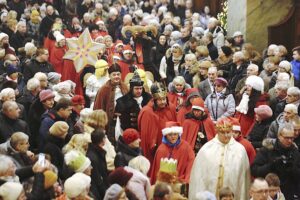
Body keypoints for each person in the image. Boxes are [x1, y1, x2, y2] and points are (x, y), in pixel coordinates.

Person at [189, 118, 250, 199]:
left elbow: (243, 182)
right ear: (217, 132)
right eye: (223, 132)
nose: (226, 135)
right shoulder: (206, 149)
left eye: (228, 132)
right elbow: (199, 179)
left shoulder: (240, 151)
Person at [251, 123, 300, 199]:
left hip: (289, 193)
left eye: (292, 138)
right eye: (287, 138)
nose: (290, 141)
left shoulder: (295, 152)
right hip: (268, 193)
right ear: (279, 136)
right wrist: (271, 165)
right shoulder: (267, 149)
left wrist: (293, 169)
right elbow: (254, 170)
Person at [138, 82, 177, 164]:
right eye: (159, 100)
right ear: (154, 99)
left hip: (170, 147)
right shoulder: (147, 112)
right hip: (155, 150)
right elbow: (145, 138)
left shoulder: (171, 108)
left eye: (164, 99)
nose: (163, 102)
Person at [93, 63, 128, 144]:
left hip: (123, 120)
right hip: (110, 122)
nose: (116, 76)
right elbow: (98, 108)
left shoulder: (125, 87)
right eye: (114, 74)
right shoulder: (103, 90)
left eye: (118, 74)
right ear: (109, 76)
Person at [86, 128, 109, 200]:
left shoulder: (97, 152)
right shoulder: (93, 157)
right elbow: (98, 180)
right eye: (105, 137)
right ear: (102, 140)